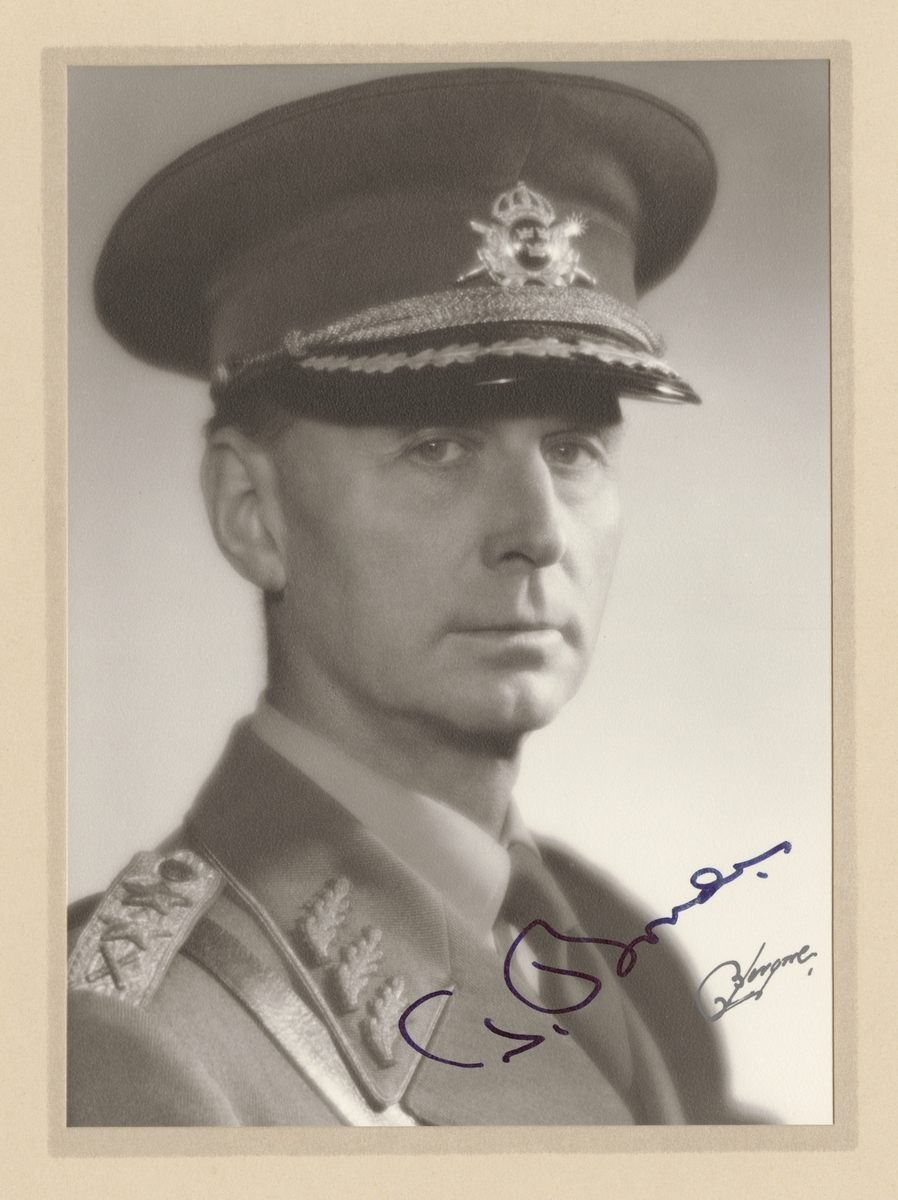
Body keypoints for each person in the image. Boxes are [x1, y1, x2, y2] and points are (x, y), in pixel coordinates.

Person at [67, 65, 758, 1126]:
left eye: (572, 448)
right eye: (438, 446)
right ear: (253, 515)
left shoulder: (632, 965)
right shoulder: (132, 1044)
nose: (536, 532)